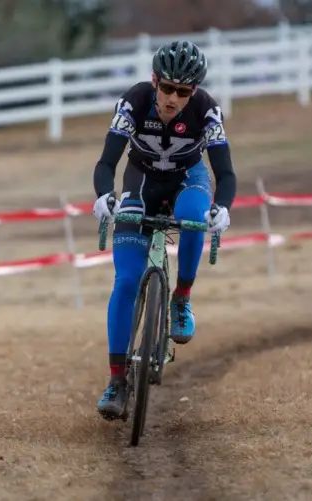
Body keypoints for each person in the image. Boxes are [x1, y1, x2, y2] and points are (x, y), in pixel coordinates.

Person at [92, 40, 237, 420]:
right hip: (141, 181)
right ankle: (117, 381)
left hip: (189, 178)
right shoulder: (134, 101)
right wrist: (105, 196)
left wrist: (223, 207)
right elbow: (107, 160)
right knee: (125, 281)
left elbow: (225, 172)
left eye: (183, 92)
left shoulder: (207, 110)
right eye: (168, 88)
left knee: (193, 217)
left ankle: (181, 298)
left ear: (194, 92)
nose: (173, 98)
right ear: (154, 81)